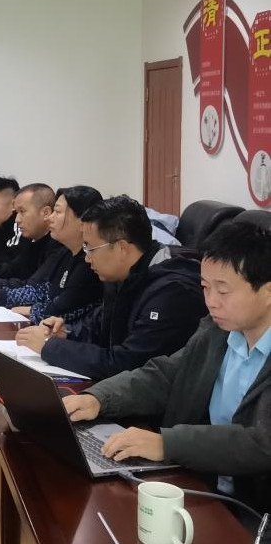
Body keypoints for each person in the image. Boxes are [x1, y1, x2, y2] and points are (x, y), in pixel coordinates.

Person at [62, 222, 271, 518]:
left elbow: (262, 442)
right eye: (205, 287)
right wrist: (99, 398)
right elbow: (167, 375)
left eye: (223, 291)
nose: (211, 301)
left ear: (267, 292)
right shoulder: (218, 331)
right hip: (202, 483)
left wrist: (166, 444)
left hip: (254, 509)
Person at [16, 196, 208, 379]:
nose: (87, 258)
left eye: (90, 248)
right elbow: (98, 326)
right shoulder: (124, 274)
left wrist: (50, 347)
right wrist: (66, 332)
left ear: (121, 248)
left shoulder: (173, 292)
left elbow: (128, 363)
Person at [0, 186, 103, 324]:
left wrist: (32, 310)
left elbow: (64, 308)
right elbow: (39, 290)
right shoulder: (65, 252)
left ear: (83, 220)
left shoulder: (90, 262)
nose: (51, 218)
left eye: (57, 212)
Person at [0, 183, 62, 289]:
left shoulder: (58, 245)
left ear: (46, 213)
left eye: (22, 211)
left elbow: (32, 287)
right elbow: (13, 268)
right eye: (16, 212)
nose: (17, 219)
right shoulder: (33, 239)